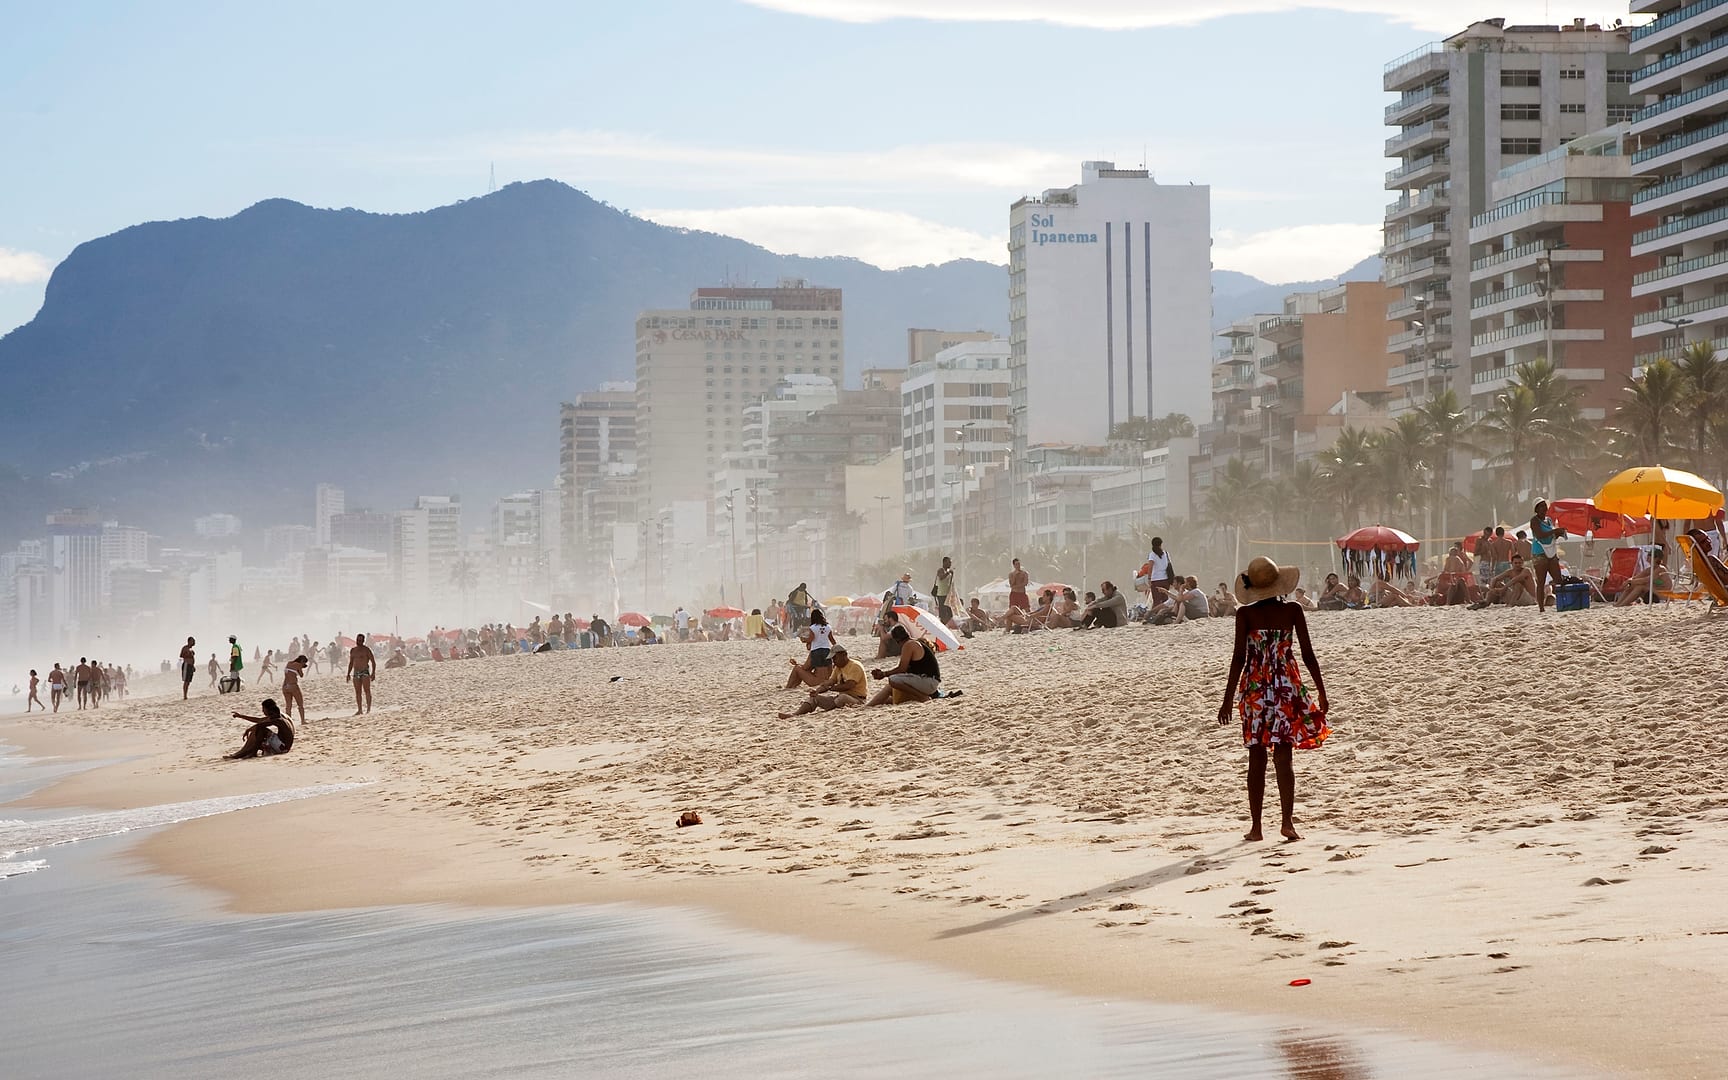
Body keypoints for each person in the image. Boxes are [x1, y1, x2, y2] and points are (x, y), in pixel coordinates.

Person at [1217, 557, 1329, 843]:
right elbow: (1307, 654)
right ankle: (1287, 823)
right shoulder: (1292, 610)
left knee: (1256, 757)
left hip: (1254, 689)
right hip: (1285, 686)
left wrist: (1228, 699)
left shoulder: (1245, 615)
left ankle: (1256, 827)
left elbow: (1239, 659)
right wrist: (1321, 690)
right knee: (1283, 755)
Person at [779, 644, 868, 718]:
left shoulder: (855, 666)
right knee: (815, 698)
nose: (834, 661)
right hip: (840, 698)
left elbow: (850, 685)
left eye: (835, 658)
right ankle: (795, 714)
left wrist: (831, 688)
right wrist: (817, 691)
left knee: (842, 698)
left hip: (857, 699)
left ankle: (833, 706)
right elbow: (830, 682)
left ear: (843, 655)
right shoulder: (838, 668)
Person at [866, 624, 940, 705]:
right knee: (890, 690)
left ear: (897, 640)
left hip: (929, 682)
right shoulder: (914, 642)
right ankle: (869, 706)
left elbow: (902, 669)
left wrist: (884, 674)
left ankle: (922, 697)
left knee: (893, 679)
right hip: (929, 681)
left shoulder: (908, 645)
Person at [1528, 500, 1569, 614]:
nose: (1543, 509)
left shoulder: (1549, 520)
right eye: (1540, 507)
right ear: (1536, 509)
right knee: (1541, 582)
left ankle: (1563, 603)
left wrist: (1560, 533)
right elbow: (1540, 535)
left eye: (1544, 506)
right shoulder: (1534, 521)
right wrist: (1555, 531)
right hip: (1539, 552)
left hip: (1551, 551)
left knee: (1558, 579)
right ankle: (1541, 608)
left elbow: (1551, 535)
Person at [226, 699, 296, 760]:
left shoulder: (278, 719)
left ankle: (249, 753)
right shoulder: (279, 716)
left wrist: (249, 730)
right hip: (282, 746)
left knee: (261, 730)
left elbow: (260, 725)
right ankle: (245, 752)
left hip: (282, 748)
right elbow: (259, 720)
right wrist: (241, 716)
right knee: (259, 738)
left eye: (263, 709)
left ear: (270, 710)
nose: (263, 711)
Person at [786, 607, 836, 688]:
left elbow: (811, 638)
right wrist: (836, 649)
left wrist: (804, 640)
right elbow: (832, 640)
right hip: (829, 679)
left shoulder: (813, 628)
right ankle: (793, 686)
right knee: (810, 668)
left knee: (797, 669)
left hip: (817, 682)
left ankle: (789, 687)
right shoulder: (828, 627)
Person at [1471, 553, 1538, 608]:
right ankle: (1486, 602)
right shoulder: (1510, 572)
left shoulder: (1526, 570)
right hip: (1516, 598)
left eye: (1519, 563)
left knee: (1518, 584)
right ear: (1512, 563)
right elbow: (1495, 579)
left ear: (1522, 563)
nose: (1518, 565)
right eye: (1516, 563)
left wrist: (1503, 588)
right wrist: (1492, 589)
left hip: (1529, 599)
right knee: (1498, 584)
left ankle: (1510, 605)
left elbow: (1515, 580)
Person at [347, 632, 377, 716]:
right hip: (356, 672)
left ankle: (368, 709)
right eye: (357, 640)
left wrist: (373, 673)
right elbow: (351, 663)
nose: (358, 641)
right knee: (357, 692)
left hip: (364, 671)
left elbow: (373, 662)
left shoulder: (366, 650)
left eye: (360, 640)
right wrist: (348, 673)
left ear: (363, 641)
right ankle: (360, 709)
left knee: (367, 690)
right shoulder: (353, 650)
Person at [1143, 536, 1175, 607]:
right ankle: (1163, 614)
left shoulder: (1152, 554)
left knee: (1157, 600)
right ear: (1161, 544)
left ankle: (1156, 615)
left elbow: (1150, 567)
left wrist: (1149, 579)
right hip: (1166, 580)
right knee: (1165, 600)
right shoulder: (1166, 553)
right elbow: (1169, 565)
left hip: (1156, 580)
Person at [280, 655, 309, 724]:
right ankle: (303, 721)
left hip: (285, 686)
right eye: (304, 663)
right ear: (302, 661)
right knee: (300, 704)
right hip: (293, 685)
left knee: (288, 706)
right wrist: (301, 667)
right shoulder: (298, 665)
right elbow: (301, 675)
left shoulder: (289, 663)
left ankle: (288, 722)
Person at [932, 557, 955, 624]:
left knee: (950, 613)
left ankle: (943, 624)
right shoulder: (941, 570)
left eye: (950, 562)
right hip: (941, 594)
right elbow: (941, 577)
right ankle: (942, 625)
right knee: (943, 613)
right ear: (944, 562)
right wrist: (948, 572)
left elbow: (950, 583)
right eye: (949, 562)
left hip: (947, 594)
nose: (950, 564)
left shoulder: (949, 571)